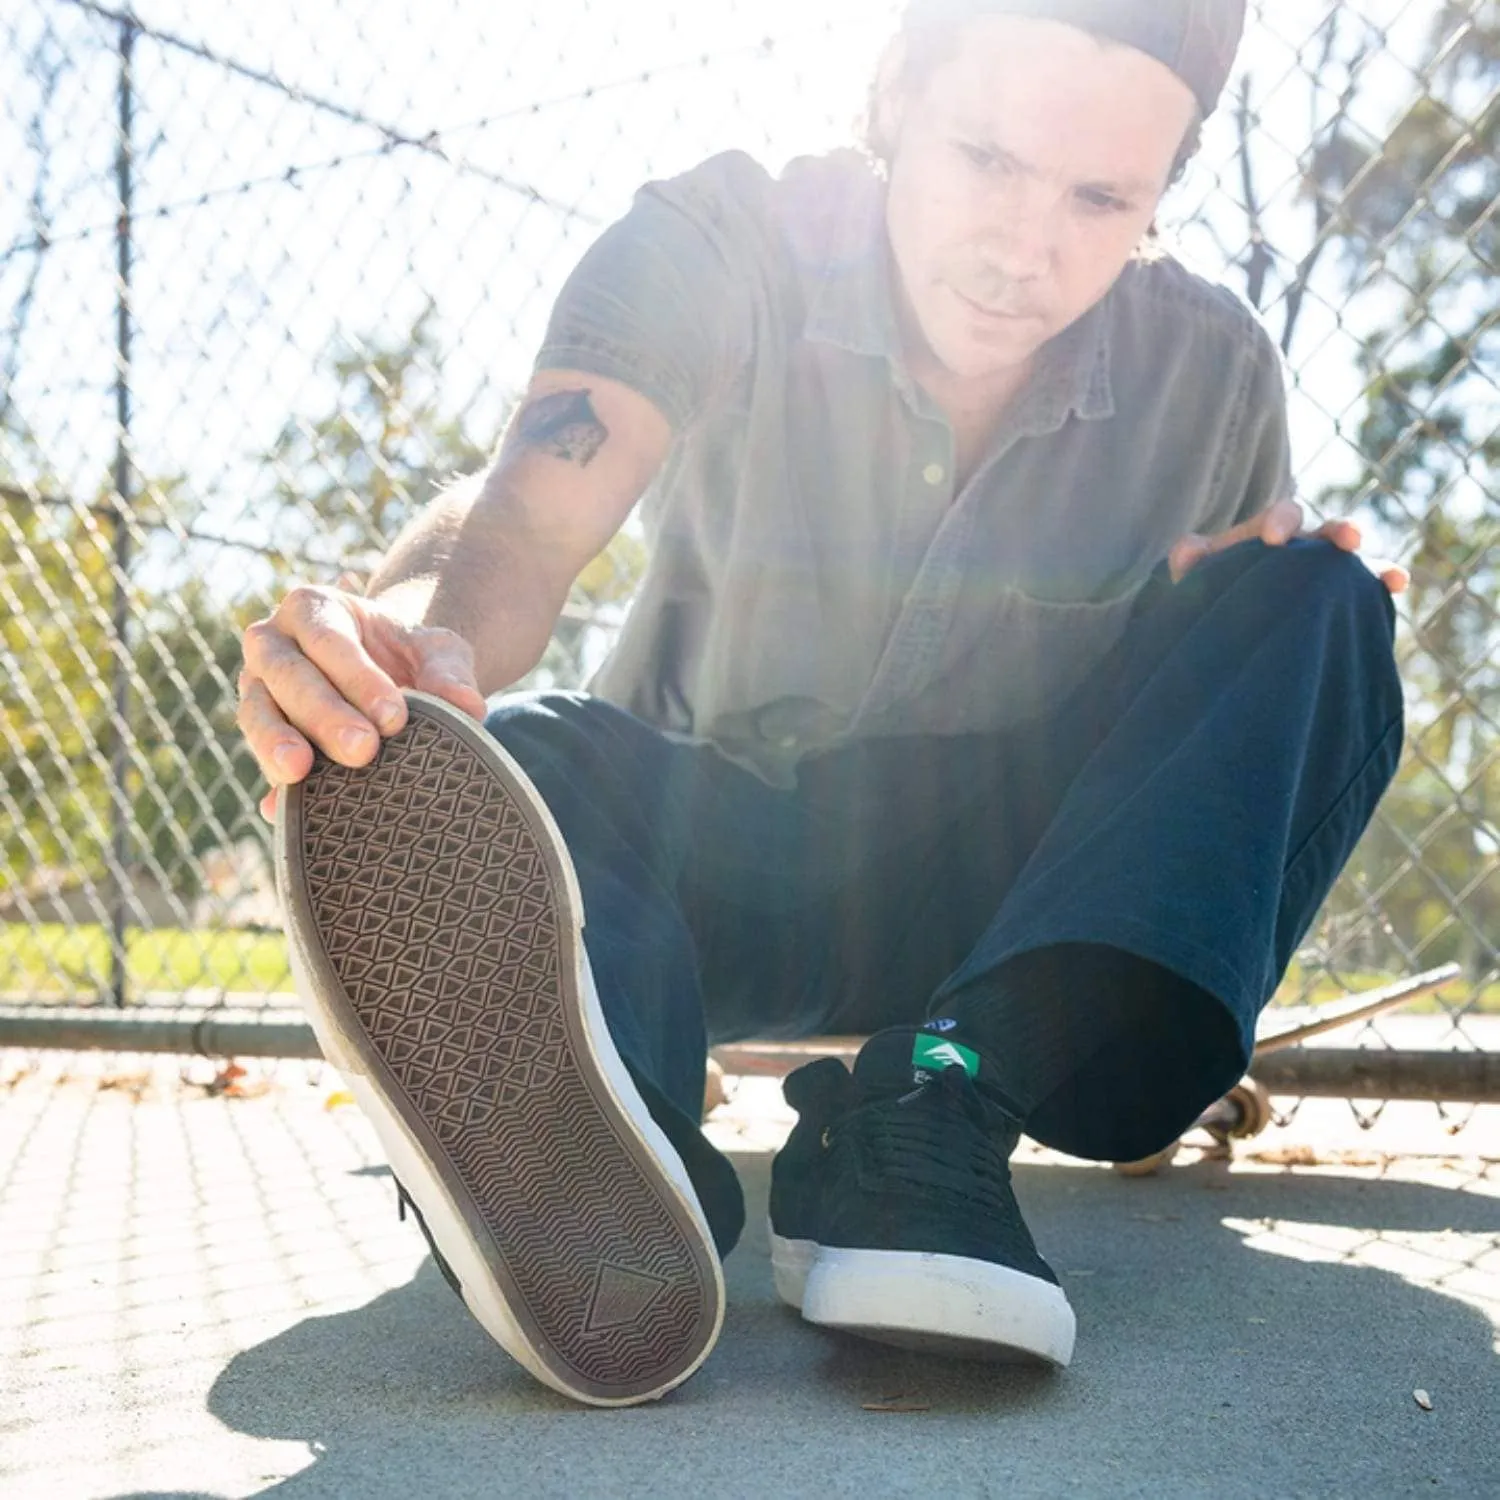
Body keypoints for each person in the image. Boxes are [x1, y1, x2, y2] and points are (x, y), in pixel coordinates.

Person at [238, 0, 1409, 1408]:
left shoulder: (1215, 370)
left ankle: (935, 1113)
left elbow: (1214, 745)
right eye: (986, 157)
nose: (1026, 248)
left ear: (1166, 189)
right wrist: (410, 660)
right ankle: (583, 1152)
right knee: (517, 752)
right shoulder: (726, 241)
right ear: (898, 94)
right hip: (689, 856)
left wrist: (1228, 615)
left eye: (1102, 197)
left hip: (997, 913)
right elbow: (524, 517)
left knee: (1324, 596)